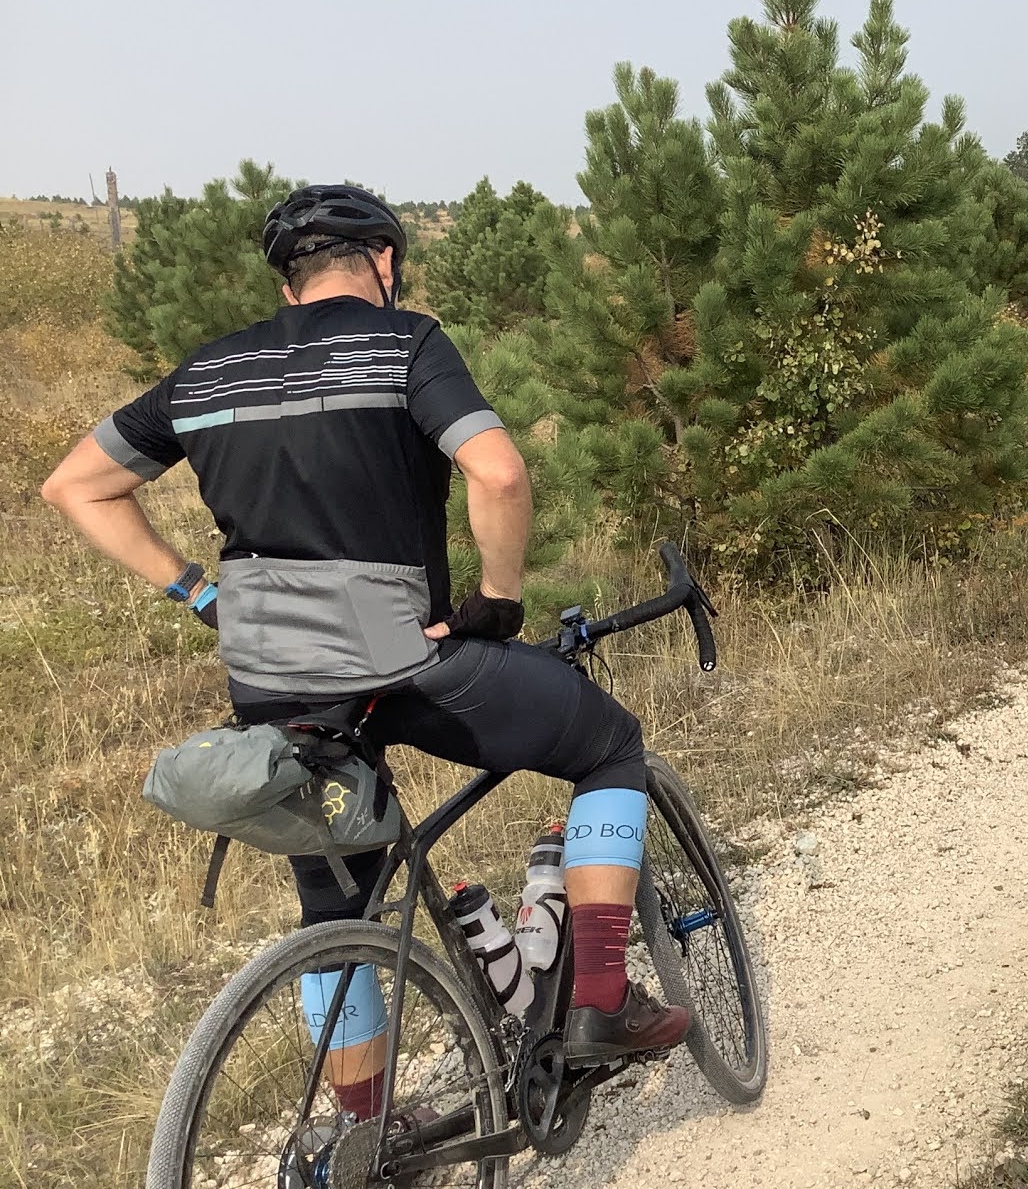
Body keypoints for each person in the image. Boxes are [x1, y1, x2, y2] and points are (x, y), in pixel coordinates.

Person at [40, 185, 689, 1124]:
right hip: (403, 666)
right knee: (608, 747)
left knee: (340, 915)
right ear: (384, 261)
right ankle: (600, 1001)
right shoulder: (405, 343)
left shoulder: (206, 373)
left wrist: (197, 591)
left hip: (273, 693)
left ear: (288, 276)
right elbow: (499, 469)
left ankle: (365, 1133)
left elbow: (75, 486)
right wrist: (496, 602)